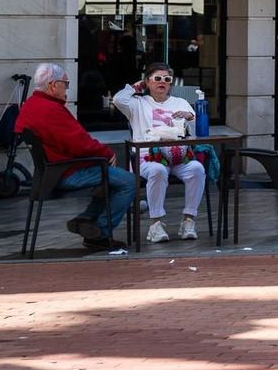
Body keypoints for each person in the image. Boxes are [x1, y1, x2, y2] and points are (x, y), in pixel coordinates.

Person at [16, 63, 135, 251]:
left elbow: (73, 142)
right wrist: (105, 153)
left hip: (52, 171)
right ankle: (100, 233)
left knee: (112, 178)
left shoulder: (31, 105)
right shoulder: (50, 109)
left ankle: (86, 218)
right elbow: (78, 142)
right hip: (65, 172)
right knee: (129, 181)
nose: (67, 88)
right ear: (54, 85)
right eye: (66, 83)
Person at [111, 62, 204, 243]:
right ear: (148, 82)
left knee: (197, 169)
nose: (162, 82)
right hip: (147, 156)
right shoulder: (137, 103)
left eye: (167, 79)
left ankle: (188, 220)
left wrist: (190, 117)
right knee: (157, 171)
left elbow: (198, 131)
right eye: (157, 79)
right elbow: (118, 100)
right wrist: (138, 86)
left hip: (178, 155)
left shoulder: (181, 103)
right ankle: (155, 224)